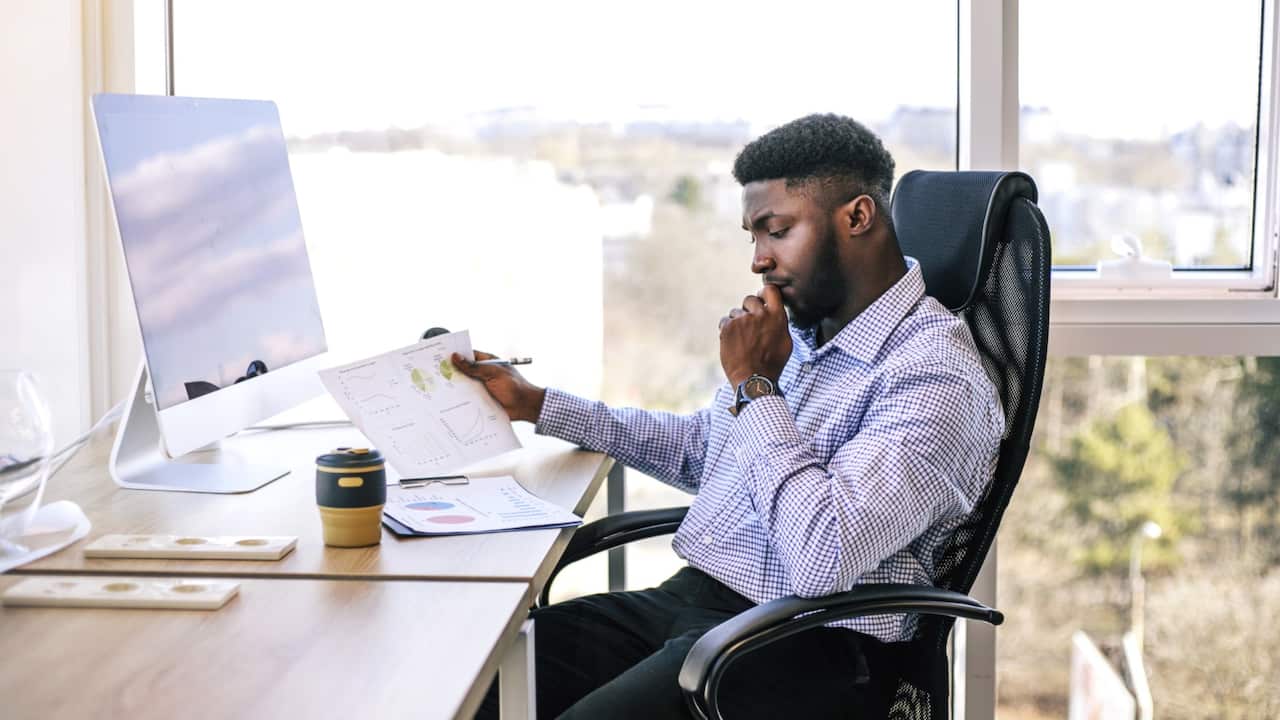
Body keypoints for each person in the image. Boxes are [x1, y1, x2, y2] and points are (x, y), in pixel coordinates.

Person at [457, 113, 1005, 719]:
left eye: (776, 231)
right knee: (475, 684)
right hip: (696, 602)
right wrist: (538, 404)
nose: (758, 261)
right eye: (753, 236)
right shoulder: (808, 334)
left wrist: (755, 385)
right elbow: (702, 448)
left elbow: (824, 554)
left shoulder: (933, 374)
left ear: (856, 217)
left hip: (808, 639)